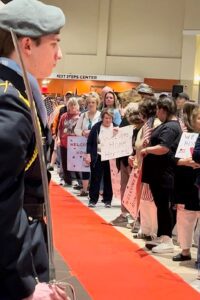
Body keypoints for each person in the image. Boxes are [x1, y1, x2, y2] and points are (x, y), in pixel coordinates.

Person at [0, 0, 65, 298]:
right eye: (53, 43)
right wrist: (23, 285)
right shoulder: (9, 101)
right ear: (27, 44)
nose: (59, 55)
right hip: (14, 252)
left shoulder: (16, 91)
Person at [141, 97, 182, 253]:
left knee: (164, 206)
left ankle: (167, 239)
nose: (156, 113)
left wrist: (147, 150)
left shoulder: (171, 127)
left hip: (164, 173)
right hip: (157, 173)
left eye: (158, 109)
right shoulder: (166, 125)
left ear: (164, 109)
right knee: (160, 205)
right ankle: (162, 235)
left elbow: (164, 148)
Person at [173, 103, 200, 262]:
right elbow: (172, 158)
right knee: (185, 218)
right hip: (185, 181)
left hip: (198, 182)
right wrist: (183, 162)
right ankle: (185, 250)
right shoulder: (184, 136)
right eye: (197, 118)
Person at [86, 108, 117, 207]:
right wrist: (88, 155)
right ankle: (93, 199)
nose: (108, 120)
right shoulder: (96, 127)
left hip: (111, 157)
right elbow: (90, 143)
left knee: (109, 179)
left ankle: (107, 200)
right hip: (98, 156)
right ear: (102, 118)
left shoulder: (116, 127)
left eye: (110, 118)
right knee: (95, 178)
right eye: (106, 118)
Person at [74, 92, 101, 196]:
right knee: (85, 166)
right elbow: (76, 129)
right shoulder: (83, 115)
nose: (91, 104)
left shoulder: (100, 116)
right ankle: (84, 189)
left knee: (95, 168)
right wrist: (82, 132)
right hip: (84, 144)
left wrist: (93, 133)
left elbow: (103, 129)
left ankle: (95, 190)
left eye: (93, 102)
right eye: (89, 102)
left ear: (97, 103)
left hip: (97, 146)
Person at [58, 97, 80, 186]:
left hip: (76, 143)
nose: (73, 106)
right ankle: (66, 179)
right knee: (64, 161)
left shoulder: (80, 116)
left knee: (74, 162)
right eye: (71, 104)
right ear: (68, 106)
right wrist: (58, 139)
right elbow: (59, 128)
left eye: (74, 104)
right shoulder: (64, 116)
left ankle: (75, 179)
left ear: (77, 106)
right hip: (64, 142)